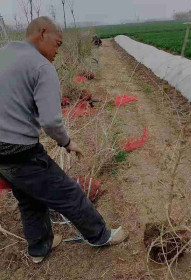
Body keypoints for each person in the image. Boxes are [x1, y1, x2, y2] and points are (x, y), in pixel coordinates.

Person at [0, 17, 128, 264]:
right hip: (19, 150)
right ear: (42, 33)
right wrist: (67, 142)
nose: (57, 51)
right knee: (69, 193)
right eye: (57, 44)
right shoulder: (41, 66)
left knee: (29, 197)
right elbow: (50, 121)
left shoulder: (4, 54)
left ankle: (40, 248)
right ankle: (100, 236)